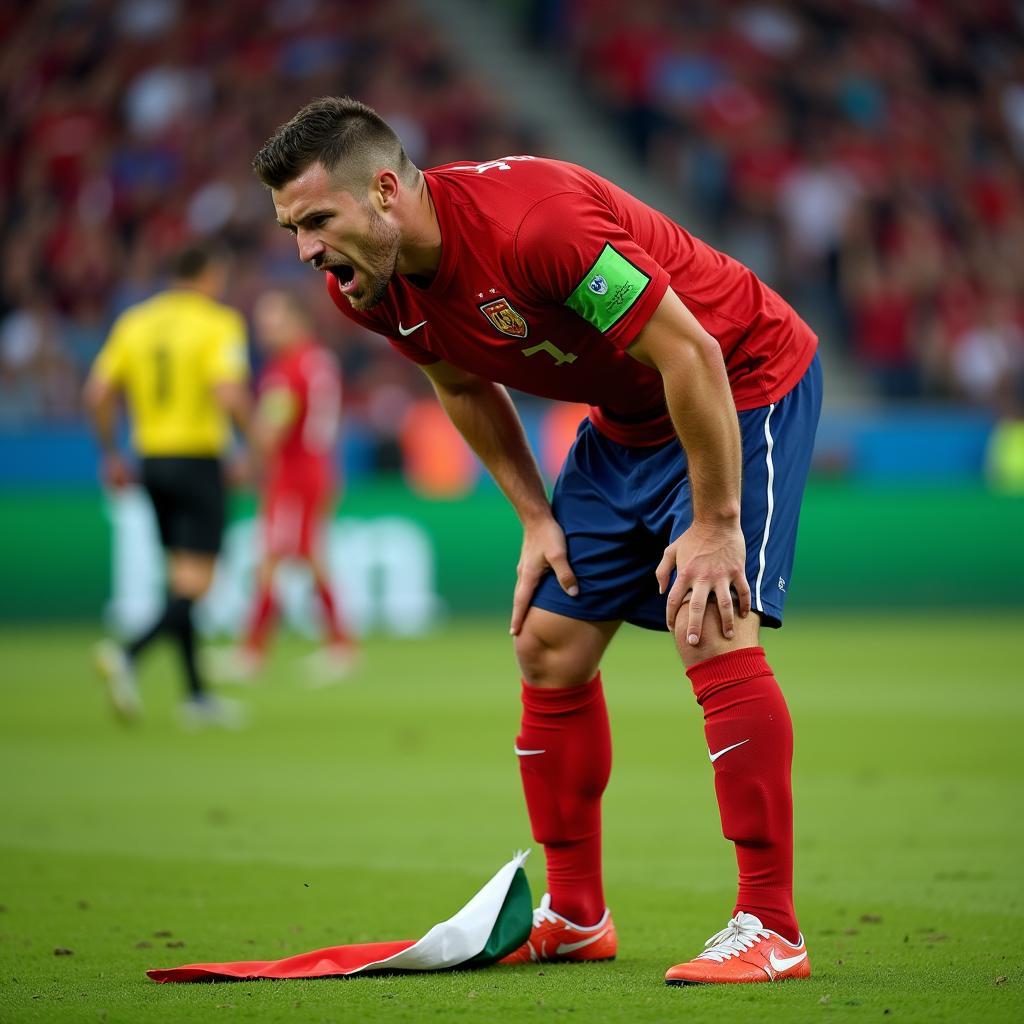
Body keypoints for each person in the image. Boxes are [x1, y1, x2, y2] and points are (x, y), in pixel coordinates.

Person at [252, 98, 822, 985]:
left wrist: (715, 525)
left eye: (319, 220)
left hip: (740, 379)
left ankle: (771, 925)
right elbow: (461, 382)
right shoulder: (368, 286)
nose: (307, 251)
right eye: (293, 228)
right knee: (545, 643)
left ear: (388, 191)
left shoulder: (536, 228)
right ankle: (576, 914)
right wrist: (533, 515)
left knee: (707, 619)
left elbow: (694, 356)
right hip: (628, 420)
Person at [84, 244, 252, 729]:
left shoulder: (135, 322)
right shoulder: (217, 323)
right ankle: (128, 653)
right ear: (209, 275)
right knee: (197, 583)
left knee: (180, 577)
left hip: (150, 460)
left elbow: (97, 393)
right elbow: (228, 391)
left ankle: (196, 698)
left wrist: (111, 454)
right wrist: (254, 446)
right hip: (199, 459)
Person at [210, 287, 357, 683]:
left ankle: (255, 652)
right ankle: (339, 646)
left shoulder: (287, 368)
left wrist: (242, 449)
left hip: (293, 474)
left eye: (272, 319)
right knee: (306, 555)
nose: (263, 328)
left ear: (296, 320)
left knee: (275, 559)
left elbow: (272, 431)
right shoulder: (319, 361)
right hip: (317, 467)